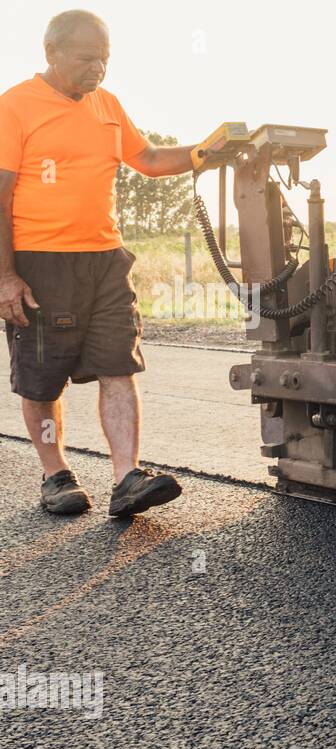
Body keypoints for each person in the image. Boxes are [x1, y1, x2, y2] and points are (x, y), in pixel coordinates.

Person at [0, 10, 203, 517]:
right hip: (40, 261)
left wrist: (209, 151)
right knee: (43, 378)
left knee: (118, 362)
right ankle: (56, 476)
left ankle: (126, 478)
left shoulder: (107, 104)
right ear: (52, 53)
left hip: (106, 259)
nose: (99, 69)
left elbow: (150, 161)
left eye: (105, 59)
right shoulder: (15, 107)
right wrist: (5, 275)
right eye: (87, 58)